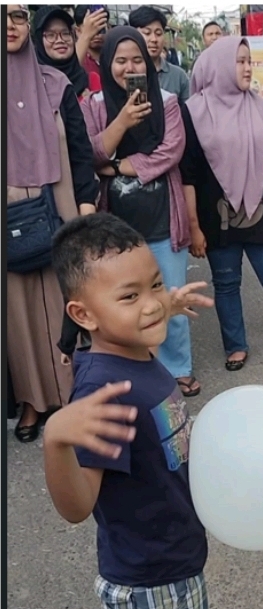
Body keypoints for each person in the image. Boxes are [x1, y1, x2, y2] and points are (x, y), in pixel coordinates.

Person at [44, 212, 213, 609]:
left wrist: (164, 307)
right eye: (129, 296)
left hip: (164, 547)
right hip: (149, 566)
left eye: (155, 285)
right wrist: (56, 439)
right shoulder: (105, 392)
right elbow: (77, 505)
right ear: (84, 315)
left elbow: (143, 310)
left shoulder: (128, 351)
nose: (150, 305)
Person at [181, 36, 263, 373]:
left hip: (260, 213)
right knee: (227, 284)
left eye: (249, 61)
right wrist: (194, 227)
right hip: (216, 218)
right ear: (219, 67)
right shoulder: (194, 112)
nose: (247, 68)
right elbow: (188, 174)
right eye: (239, 61)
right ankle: (235, 346)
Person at [81, 27, 201, 398]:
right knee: (128, 301)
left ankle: (178, 368)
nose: (130, 68)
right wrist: (121, 122)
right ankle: (141, 369)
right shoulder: (94, 105)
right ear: (107, 64)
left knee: (170, 296)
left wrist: (117, 167)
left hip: (164, 218)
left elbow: (170, 152)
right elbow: (90, 153)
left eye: (137, 60)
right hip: (116, 225)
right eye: (121, 61)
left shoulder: (167, 102)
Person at [7, 4, 98, 443]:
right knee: (18, 312)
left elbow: (80, 150)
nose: (9, 25)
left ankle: (72, 394)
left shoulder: (55, 84)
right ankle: (33, 400)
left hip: (59, 208)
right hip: (9, 217)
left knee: (68, 304)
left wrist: (85, 208)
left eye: (17, 16)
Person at [129, 7, 189, 104]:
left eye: (158, 33)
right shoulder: (126, 73)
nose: (154, 39)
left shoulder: (179, 76)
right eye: (147, 33)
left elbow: (188, 110)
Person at [33, 4, 89, 99]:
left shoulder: (90, 80)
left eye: (65, 33)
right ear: (39, 40)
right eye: (51, 35)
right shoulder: (31, 84)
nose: (60, 40)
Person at [74, 4, 109, 85]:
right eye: (92, 28)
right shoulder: (76, 58)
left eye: (101, 28)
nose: (97, 34)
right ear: (78, 31)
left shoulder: (114, 55)